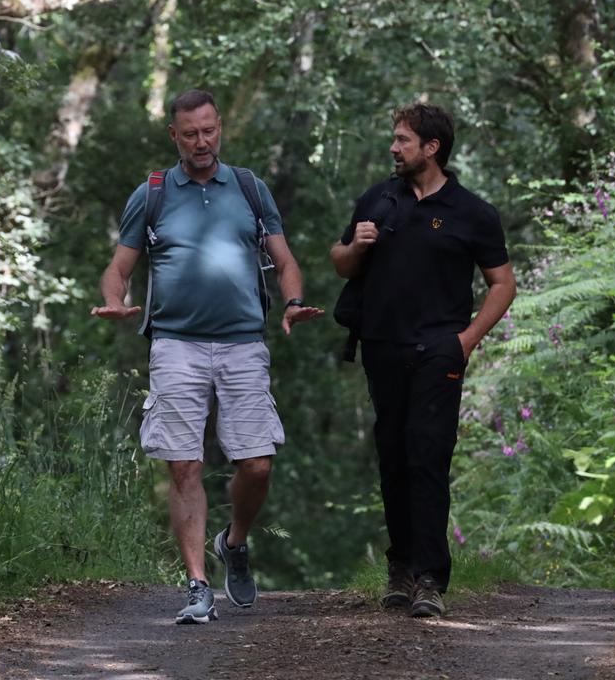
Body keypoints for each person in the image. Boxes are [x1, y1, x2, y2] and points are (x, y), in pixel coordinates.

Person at [92, 89, 322, 625]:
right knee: (184, 464)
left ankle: (234, 541)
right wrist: (113, 302)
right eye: (190, 133)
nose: (202, 141)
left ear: (220, 128)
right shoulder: (151, 194)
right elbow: (118, 268)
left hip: (243, 341)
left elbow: (284, 260)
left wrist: (292, 302)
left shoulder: (249, 188)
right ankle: (198, 585)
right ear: (174, 135)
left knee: (258, 465)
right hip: (175, 344)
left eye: (209, 130)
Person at [330, 103, 516, 618]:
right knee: (392, 459)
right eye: (395, 140)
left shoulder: (472, 212)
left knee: (427, 458)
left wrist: (466, 340)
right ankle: (402, 568)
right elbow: (341, 261)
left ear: (431, 148)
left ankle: (431, 578)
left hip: (439, 352)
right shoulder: (378, 199)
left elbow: (503, 284)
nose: (394, 148)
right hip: (382, 349)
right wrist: (357, 245)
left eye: (403, 140)